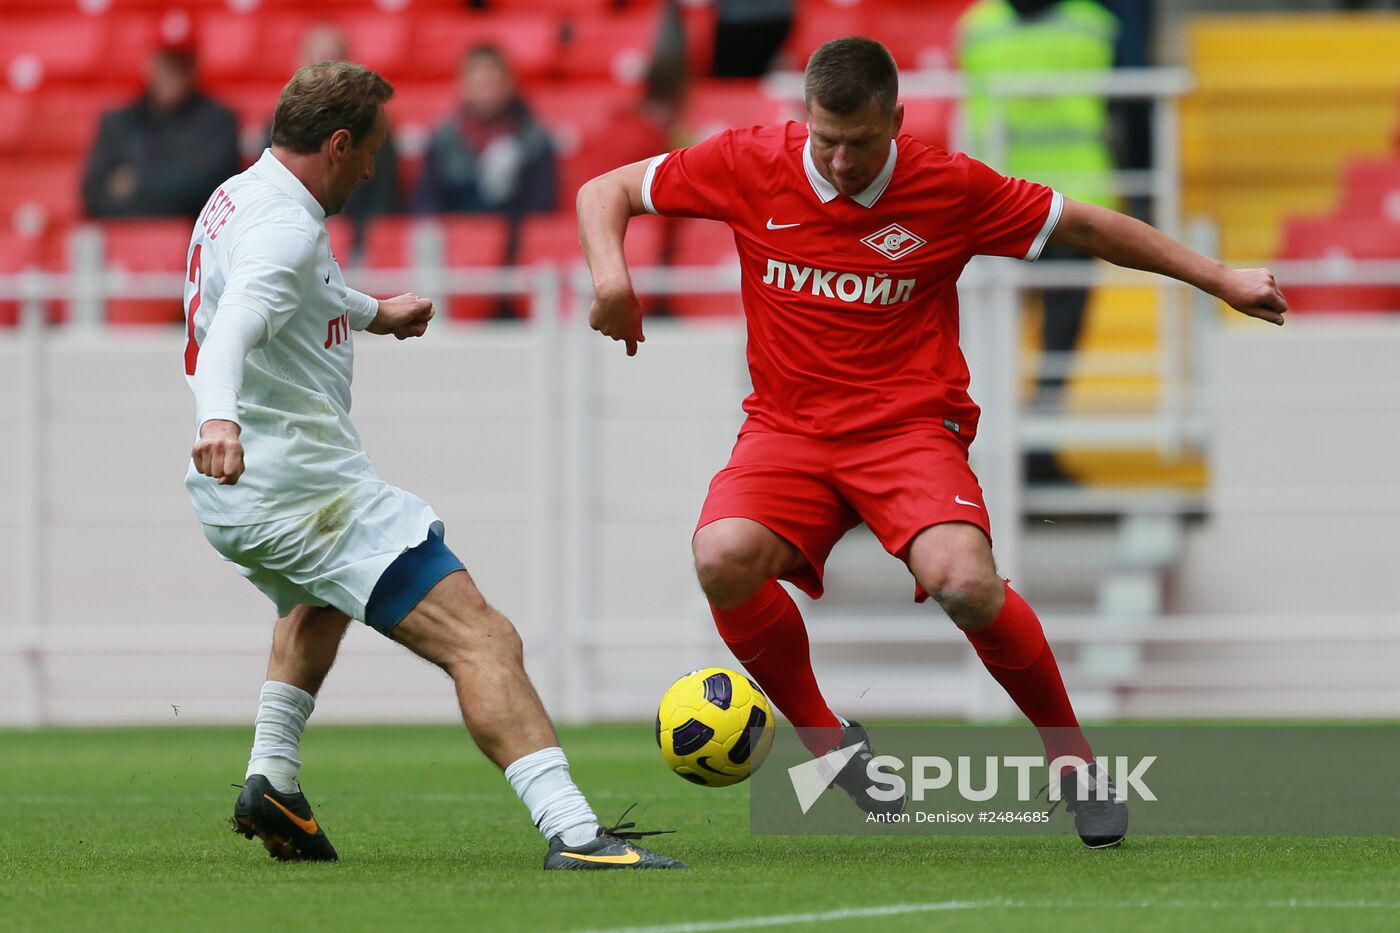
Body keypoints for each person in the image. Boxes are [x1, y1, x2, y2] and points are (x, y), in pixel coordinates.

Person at [577, 37, 1287, 848]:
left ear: (898, 121)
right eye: (826, 140)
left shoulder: (946, 186)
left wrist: (1220, 278)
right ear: (804, 120)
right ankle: (826, 738)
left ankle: (1074, 760)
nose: (842, 161)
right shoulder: (748, 161)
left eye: (862, 142)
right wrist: (612, 280)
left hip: (908, 430)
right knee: (720, 557)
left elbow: (1086, 226)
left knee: (965, 583)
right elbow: (608, 189)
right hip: (788, 429)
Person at [184, 61, 679, 871]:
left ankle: (272, 778)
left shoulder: (241, 195)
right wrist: (219, 419)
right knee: (484, 638)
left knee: (321, 598)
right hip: (302, 488)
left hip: (255, 492)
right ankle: (577, 832)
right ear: (338, 144)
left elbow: (287, 289)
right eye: (372, 150)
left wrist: (376, 313)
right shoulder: (286, 227)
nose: (376, 168)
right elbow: (238, 321)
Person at [959, 0, 1120, 485]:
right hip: (1044, 203)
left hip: (1029, 203)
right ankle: (1022, 448)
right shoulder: (1092, 24)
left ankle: (1032, 447)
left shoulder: (977, 27)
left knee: (1037, 338)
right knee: (1039, 337)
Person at [261, 23, 401, 259]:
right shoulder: (277, 124)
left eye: (333, 63)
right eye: (316, 63)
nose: (323, 73)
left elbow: (382, 198)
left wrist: (352, 237)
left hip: (356, 247)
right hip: (290, 239)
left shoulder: (373, 124)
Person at [81, 34, 239, 218]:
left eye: (181, 64)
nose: (172, 73)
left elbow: (209, 191)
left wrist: (136, 183)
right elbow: (92, 195)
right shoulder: (118, 122)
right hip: (127, 238)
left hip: (194, 240)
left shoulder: (219, 122)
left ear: (195, 67)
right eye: (166, 63)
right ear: (150, 64)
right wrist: (176, 180)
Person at [415, 43, 558, 216]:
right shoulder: (444, 138)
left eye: (492, 82)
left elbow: (542, 206)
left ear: (508, 83)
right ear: (464, 86)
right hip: (457, 234)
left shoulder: (534, 139)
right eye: (479, 83)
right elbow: (428, 200)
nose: (486, 93)